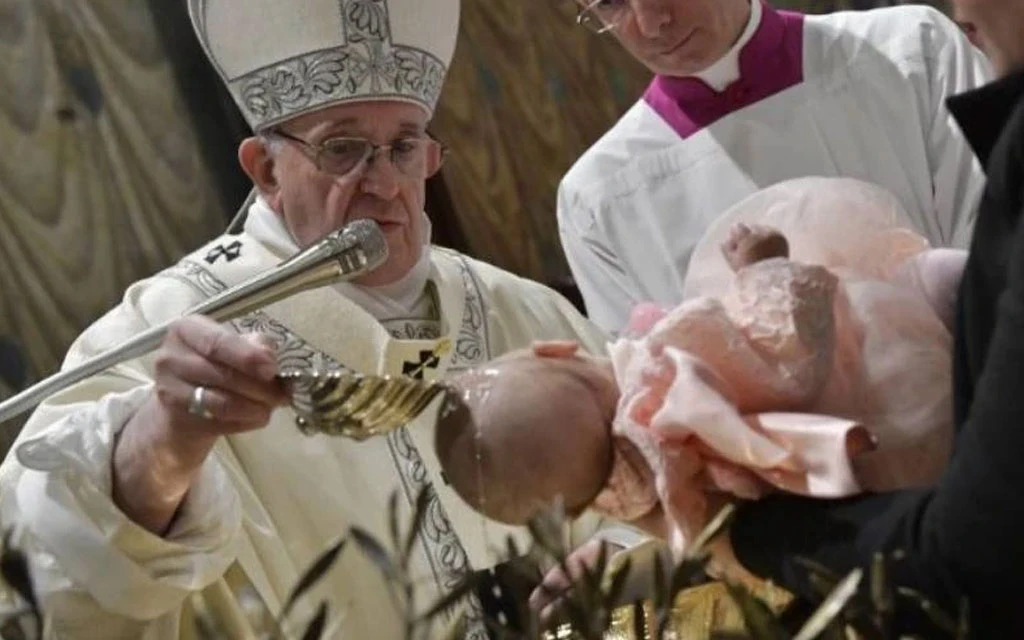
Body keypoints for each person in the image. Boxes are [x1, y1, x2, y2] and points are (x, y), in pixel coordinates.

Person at [0, 0, 613, 637]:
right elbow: (47, 568)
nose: (383, 183)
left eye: (404, 147)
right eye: (343, 149)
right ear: (266, 170)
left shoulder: (521, 309)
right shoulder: (166, 328)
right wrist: (165, 439)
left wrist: (617, 561)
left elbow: (646, 485)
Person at [437, 177, 963, 570]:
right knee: (937, 278)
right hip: (875, 381)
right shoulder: (664, 379)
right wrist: (764, 268)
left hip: (864, 495)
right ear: (555, 350)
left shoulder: (642, 493)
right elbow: (786, 359)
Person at [709, 1, 1024, 635]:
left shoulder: (909, 45)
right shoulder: (590, 191)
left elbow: (976, 555)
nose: (648, 19)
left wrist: (748, 534)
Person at [557, 0, 990, 334]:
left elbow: (995, 248)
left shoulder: (912, 50)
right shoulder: (598, 199)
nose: (652, 23)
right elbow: (650, 387)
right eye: (611, 2)